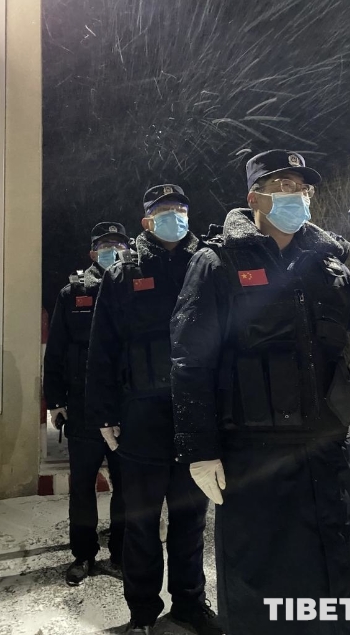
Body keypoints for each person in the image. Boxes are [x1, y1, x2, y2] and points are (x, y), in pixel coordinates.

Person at [170, 150, 350, 635]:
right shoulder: (217, 262)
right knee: (264, 581)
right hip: (255, 454)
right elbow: (190, 359)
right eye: (282, 186)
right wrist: (199, 450)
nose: (296, 195)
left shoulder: (325, 262)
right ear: (254, 197)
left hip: (328, 447)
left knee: (339, 569)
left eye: (302, 188)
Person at [85, 185, 223, 635]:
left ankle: (189, 605)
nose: (174, 216)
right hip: (141, 414)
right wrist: (104, 413)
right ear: (147, 221)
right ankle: (142, 613)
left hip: (195, 413)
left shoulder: (209, 263)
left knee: (190, 520)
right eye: (164, 210)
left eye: (180, 208)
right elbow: (102, 349)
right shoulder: (123, 274)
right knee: (141, 523)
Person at [43, 221, 130, 586]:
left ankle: (121, 554)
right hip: (82, 408)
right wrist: (55, 401)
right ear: (93, 253)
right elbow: (56, 351)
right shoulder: (73, 293)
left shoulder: (136, 286)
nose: (113, 251)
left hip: (126, 407)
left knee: (126, 485)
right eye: (106, 246)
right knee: (82, 486)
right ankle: (83, 554)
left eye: (119, 245)